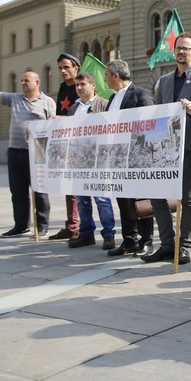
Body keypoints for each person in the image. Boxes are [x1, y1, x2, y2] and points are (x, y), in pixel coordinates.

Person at [147, 33, 191, 266]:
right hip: (164, 145)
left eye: (186, 48)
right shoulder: (163, 81)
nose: (181, 52)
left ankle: (184, 246)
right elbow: (156, 110)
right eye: (178, 48)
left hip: (190, 145)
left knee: (189, 196)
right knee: (156, 195)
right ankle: (167, 245)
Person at [0, 58, 55, 238]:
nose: (22, 83)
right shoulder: (14, 99)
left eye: (26, 80)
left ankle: (42, 225)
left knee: (40, 190)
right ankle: (21, 225)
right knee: (18, 190)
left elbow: (52, 125)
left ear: (37, 82)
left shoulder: (48, 102)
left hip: (37, 151)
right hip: (15, 150)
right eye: (21, 80)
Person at [103, 59, 155, 257]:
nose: (105, 80)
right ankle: (129, 240)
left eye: (107, 75)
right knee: (123, 200)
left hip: (137, 158)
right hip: (116, 158)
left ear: (116, 75)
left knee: (141, 201)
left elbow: (150, 122)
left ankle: (146, 241)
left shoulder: (140, 94)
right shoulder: (111, 99)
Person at [66, 72, 116, 250]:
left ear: (93, 85)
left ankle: (109, 235)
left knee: (102, 198)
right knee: (82, 199)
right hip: (79, 159)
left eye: (83, 84)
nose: (79, 88)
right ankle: (86, 233)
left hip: (99, 159)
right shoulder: (74, 108)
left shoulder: (103, 104)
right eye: (77, 85)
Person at [49, 53, 82, 241]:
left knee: (82, 189)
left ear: (76, 67)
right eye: (60, 68)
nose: (62, 71)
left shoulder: (81, 86)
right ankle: (72, 226)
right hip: (65, 144)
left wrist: (61, 119)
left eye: (66, 67)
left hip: (80, 144)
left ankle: (82, 226)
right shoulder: (62, 88)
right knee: (69, 187)